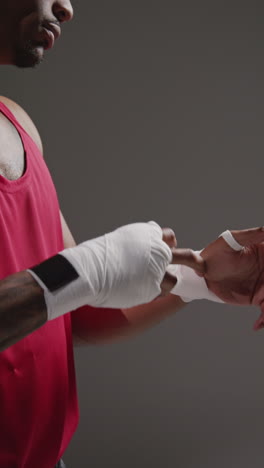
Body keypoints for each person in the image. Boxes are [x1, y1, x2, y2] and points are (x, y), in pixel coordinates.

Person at [0, 1, 264, 467]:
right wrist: (84, 269)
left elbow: (70, 313)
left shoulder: (20, 126)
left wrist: (197, 280)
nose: (66, 7)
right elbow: (72, 280)